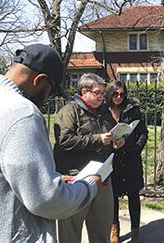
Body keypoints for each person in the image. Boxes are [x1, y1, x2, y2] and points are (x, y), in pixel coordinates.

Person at [0, 44, 102, 243]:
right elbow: (47, 200)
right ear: (40, 80)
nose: (47, 99)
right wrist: (89, 185)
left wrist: (47, 177)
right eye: (51, 92)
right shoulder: (22, 112)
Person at [53, 73, 125, 243]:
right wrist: (97, 139)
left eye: (103, 93)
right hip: (75, 178)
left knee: (101, 229)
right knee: (70, 231)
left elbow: (109, 135)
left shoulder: (105, 112)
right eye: (98, 93)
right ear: (84, 92)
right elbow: (64, 141)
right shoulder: (69, 111)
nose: (102, 97)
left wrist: (116, 142)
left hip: (102, 179)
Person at [105, 81, 148, 243]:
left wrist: (135, 149)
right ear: (109, 94)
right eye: (115, 94)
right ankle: (114, 229)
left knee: (133, 195)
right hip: (112, 159)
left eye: (122, 94)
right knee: (113, 196)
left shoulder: (132, 110)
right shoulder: (103, 111)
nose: (118, 97)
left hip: (131, 159)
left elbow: (143, 133)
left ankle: (135, 232)